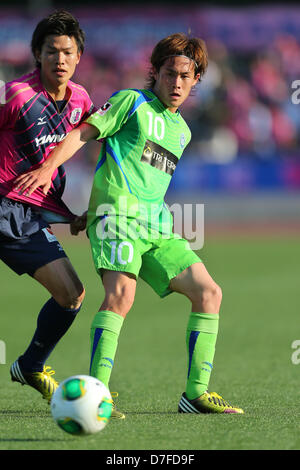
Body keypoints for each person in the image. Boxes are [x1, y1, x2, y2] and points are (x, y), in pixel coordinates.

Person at [14, 33, 244, 415]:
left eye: (186, 77)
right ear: (155, 72)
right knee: (120, 296)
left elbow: (142, 174)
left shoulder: (182, 132)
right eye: (170, 74)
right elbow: (83, 134)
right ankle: (96, 397)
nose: (177, 84)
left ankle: (195, 394)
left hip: (158, 226)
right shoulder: (130, 102)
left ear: (197, 80)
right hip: (118, 219)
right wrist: (49, 167)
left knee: (209, 294)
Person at [0, 10, 92, 405]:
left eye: (67, 52)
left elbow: (89, 144)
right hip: (4, 204)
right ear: (37, 54)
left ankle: (30, 365)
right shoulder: (16, 95)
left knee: (72, 293)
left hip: (26, 218)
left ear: (78, 57)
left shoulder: (81, 100)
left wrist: (72, 213)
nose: (60, 59)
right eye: (51, 51)